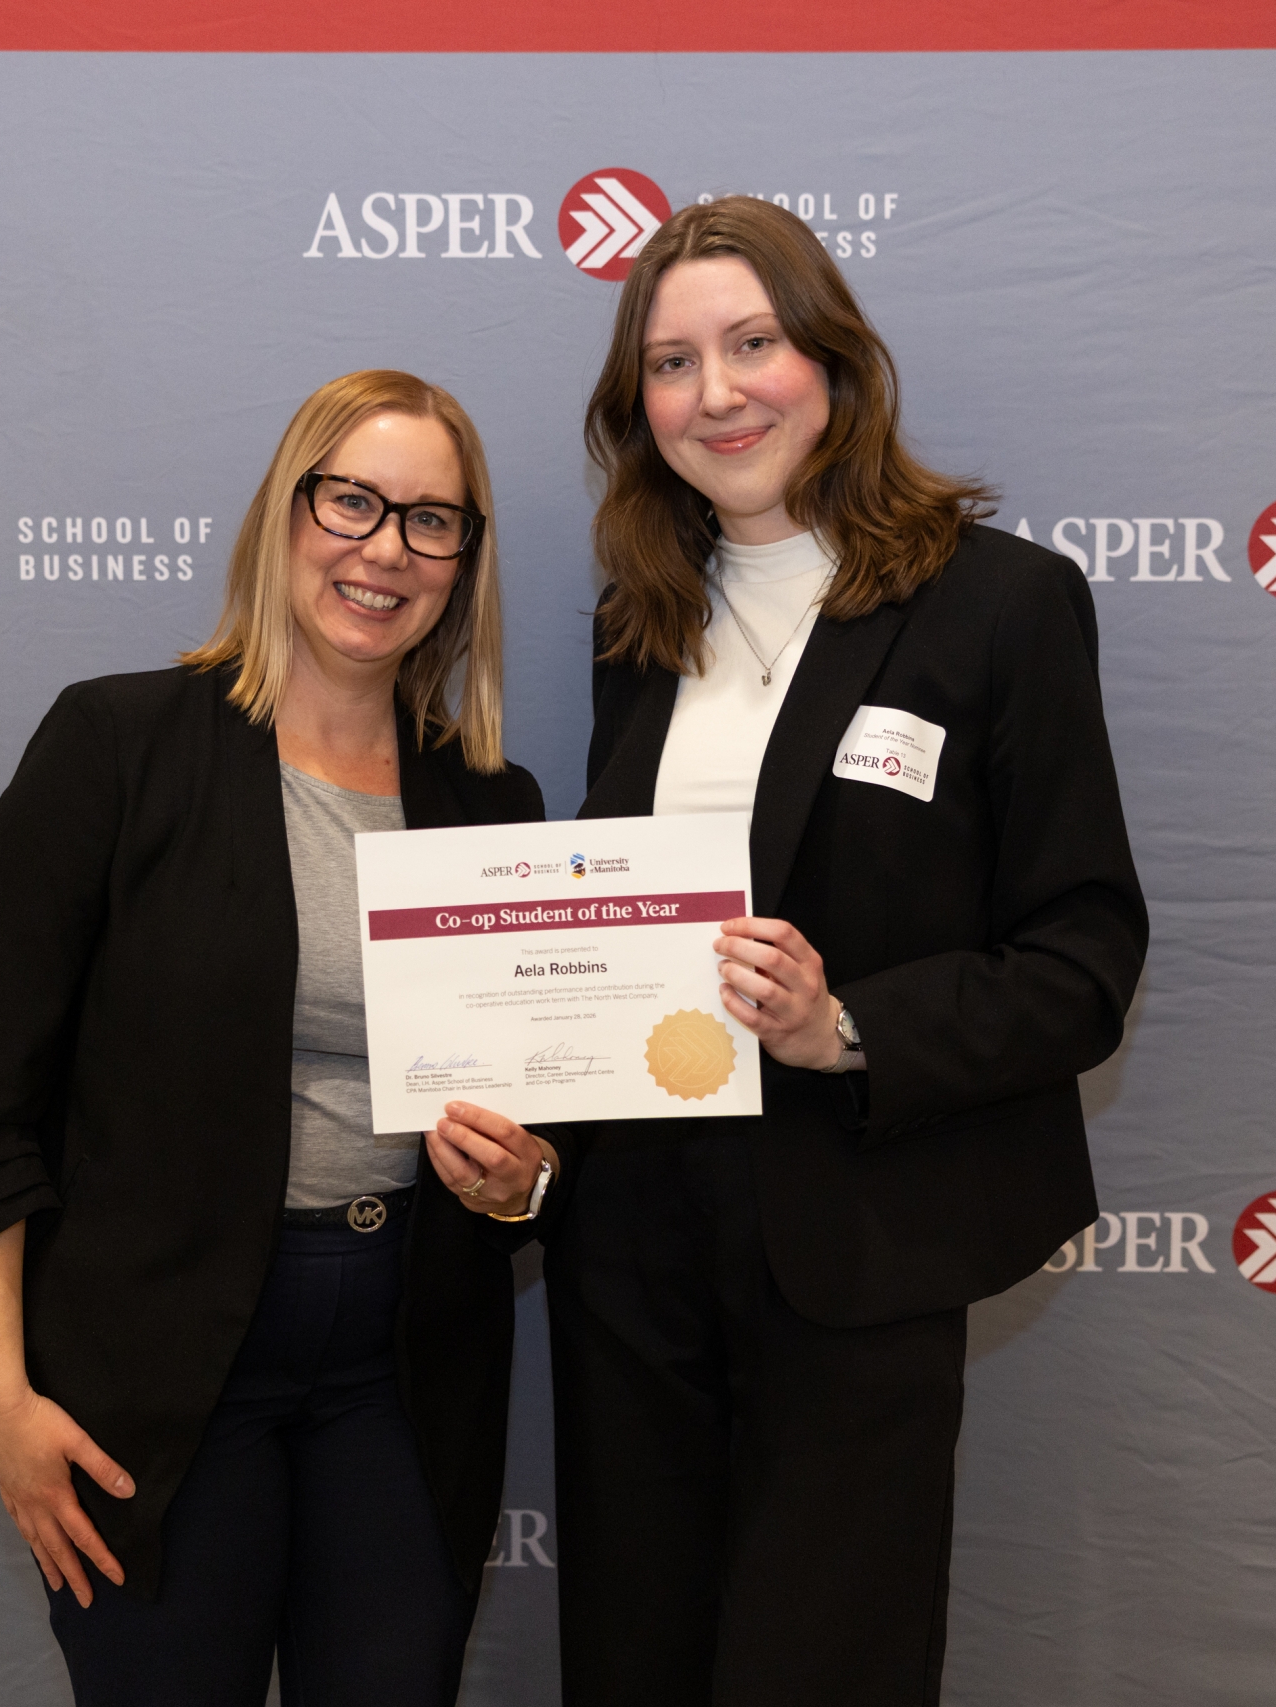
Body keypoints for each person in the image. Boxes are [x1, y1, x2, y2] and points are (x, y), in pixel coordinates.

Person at [427, 197, 1148, 1704]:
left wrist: (848, 1028)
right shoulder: (645, 627)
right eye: (674, 364)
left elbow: (1084, 958)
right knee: (636, 1659)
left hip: (858, 1244)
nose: (718, 393)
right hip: (631, 1255)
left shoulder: (1000, 606)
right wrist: (533, 1143)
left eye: (753, 343)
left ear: (833, 359)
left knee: (827, 1666)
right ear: (643, 412)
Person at [0, 369, 547, 1707]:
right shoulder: (117, 746)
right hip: (157, 1379)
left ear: (465, 563)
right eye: (354, 502)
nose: (386, 550)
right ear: (286, 512)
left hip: (405, 1370)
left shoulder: (492, 804)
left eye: (433, 522)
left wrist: (527, 1178)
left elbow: (544, 1116)